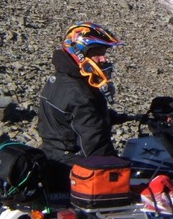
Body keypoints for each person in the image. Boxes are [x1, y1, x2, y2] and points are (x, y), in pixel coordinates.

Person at [38, 22, 128, 162]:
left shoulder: (60, 78)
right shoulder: (80, 94)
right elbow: (95, 149)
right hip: (72, 167)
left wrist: (125, 118)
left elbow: (73, 120)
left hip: (52, 155)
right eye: (97, 54)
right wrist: (122, 167)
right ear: (79, 53)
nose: (104, 59)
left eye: (103, 54)